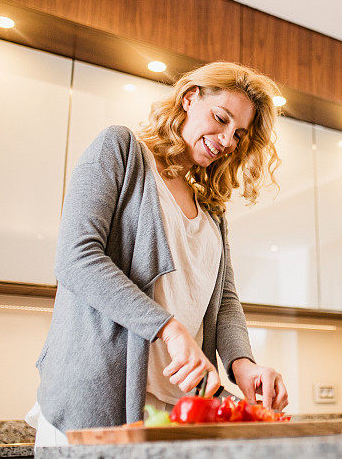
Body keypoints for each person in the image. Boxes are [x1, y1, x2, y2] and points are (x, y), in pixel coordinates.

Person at [26, 61, 289, 446]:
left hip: (176, 412)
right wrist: (168, 328)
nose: (228, 139)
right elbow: (76, 257)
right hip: (98, 404)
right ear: (189, 98)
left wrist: (243, 364)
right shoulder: (121, 150)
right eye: (220, 118)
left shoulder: (211, 205)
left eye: (239, 133)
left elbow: (225, 300)